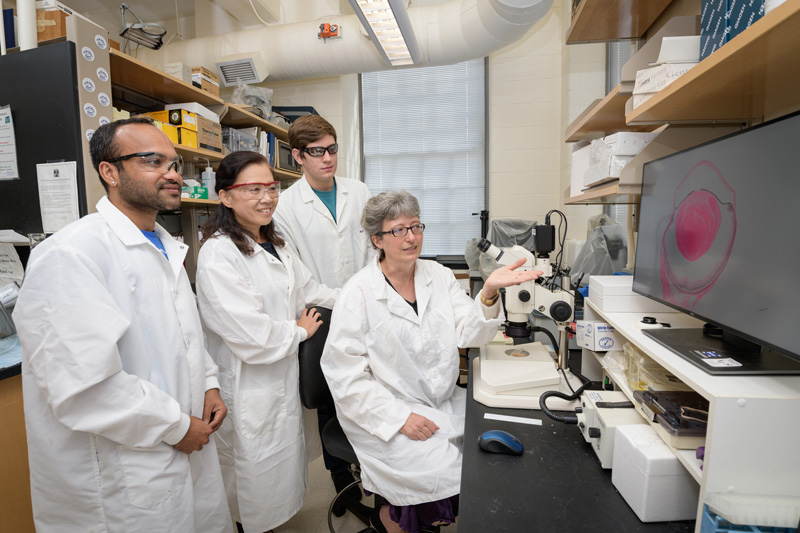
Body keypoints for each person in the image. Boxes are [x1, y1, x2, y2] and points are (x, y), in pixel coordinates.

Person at [13, 117, 233, 532]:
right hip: (121, 474)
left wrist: (208, 382)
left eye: (174, 162)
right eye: (153, 161)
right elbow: (86, 386)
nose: (172, 173)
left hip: (179, 440)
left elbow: (185, 336)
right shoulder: (71, 255)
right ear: (109, 172)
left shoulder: (167, 245)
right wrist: (176, 426)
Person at [320, 190, 541, 533]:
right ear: (377, 239)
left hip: (439, 399)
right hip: (384, 411)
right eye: (398, 230)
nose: (410, 237)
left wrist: (489, 292)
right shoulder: (358, 293)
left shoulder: (439, 276)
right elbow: (343, 375)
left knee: (486, 458)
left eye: (416, 226)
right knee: (441, 472)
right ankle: (390, 521)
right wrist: (399, 417)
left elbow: (469, 334)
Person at [195, 151, 339, 533]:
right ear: (225, 196)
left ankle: (269, 522)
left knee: (279, 465)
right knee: (251, 472)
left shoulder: (276, 243)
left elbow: (311, 289)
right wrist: (299, 330)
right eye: (253, 189)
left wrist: (364, 294)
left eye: (272, 188)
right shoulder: (219, 253)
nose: (267, 198)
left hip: (281, 378)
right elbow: (251, 335)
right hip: (249, 386)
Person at [272, 114, 373, 498]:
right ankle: (340, 476)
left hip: (366, 305)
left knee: (369, 387)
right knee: (330, 395)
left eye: (332, 149)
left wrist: (365, 293)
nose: (328, 158)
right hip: (323, 314)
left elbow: (372, 248)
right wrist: (344, 299)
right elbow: (295, 271)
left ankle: (372, 464)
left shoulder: (358, 191)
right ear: (298, 156)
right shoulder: (285, 207)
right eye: (317, 152)